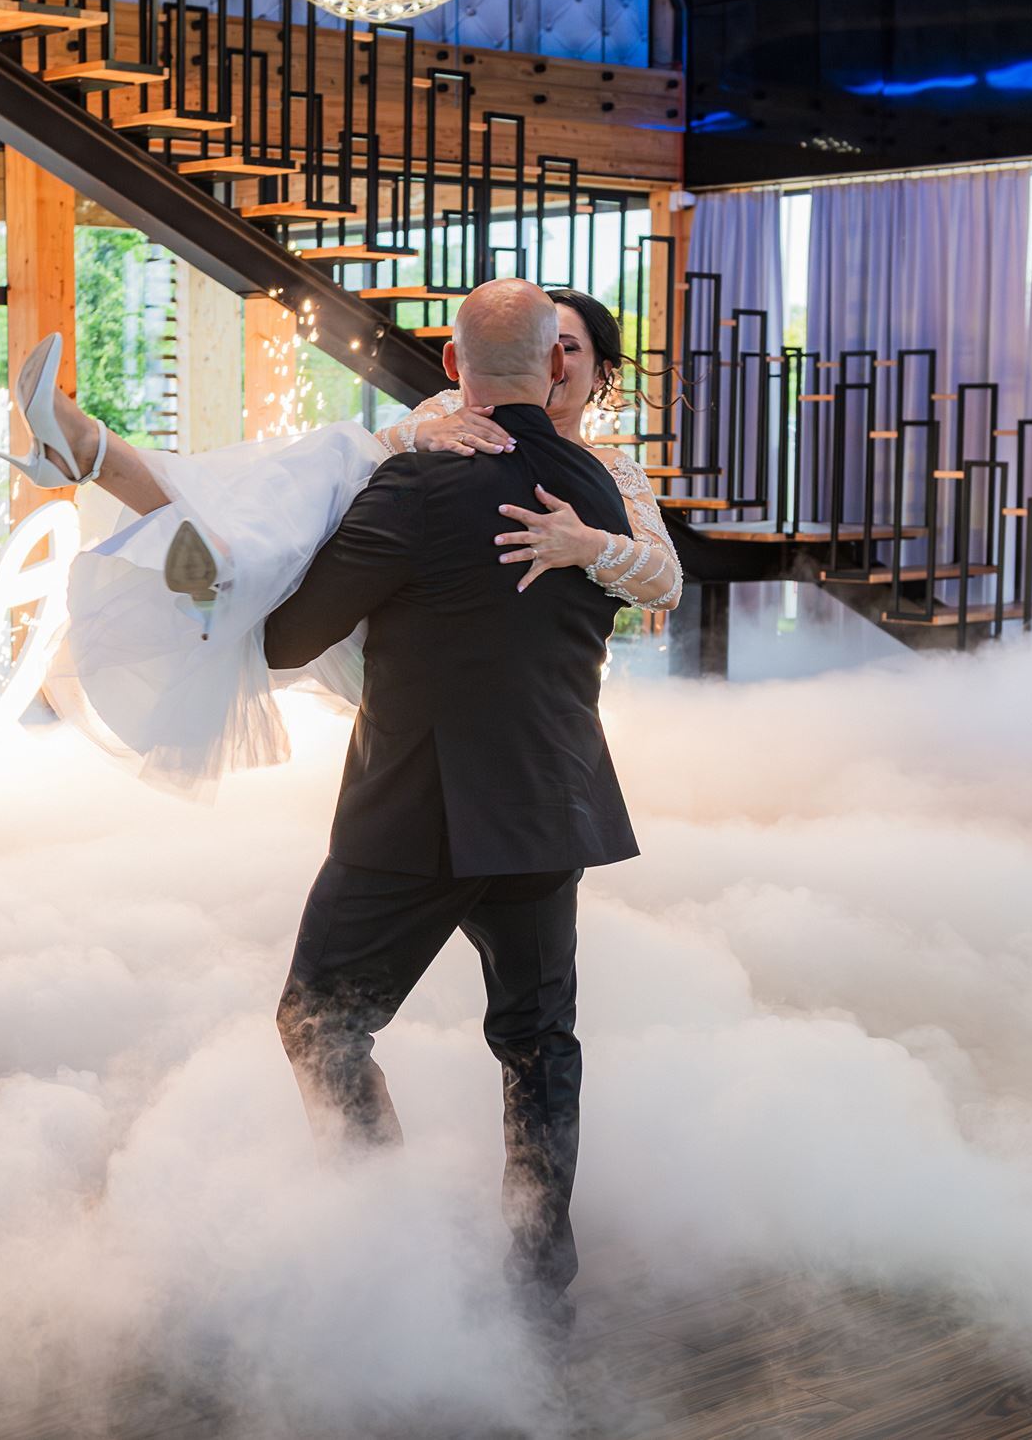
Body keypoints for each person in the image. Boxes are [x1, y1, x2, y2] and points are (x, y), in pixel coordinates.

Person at [261, 278, 636, 1330]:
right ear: (555, 365)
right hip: (548, 805)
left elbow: (288, 639)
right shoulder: (594, 489)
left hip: (414, 812)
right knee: (538, 1042)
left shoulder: (417, 487)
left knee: (318, 1023)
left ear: (448, 363)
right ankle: (538, 1282)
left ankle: (385, 1245)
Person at [0, 287, 678, 788]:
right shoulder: (456, 408)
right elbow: (374, 483)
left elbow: (666, 581)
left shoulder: (610, 474)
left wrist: (587, 544)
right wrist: (418, 434)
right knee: (344, 457)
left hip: (506, 679)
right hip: (387, 627)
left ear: (593, 372)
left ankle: (199, 558)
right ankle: (163, 517)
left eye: (567, 347)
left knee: (314, 494)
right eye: (538, 340)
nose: (545, 355)